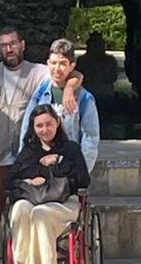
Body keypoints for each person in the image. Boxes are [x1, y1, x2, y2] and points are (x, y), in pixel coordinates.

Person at [0, 25, 81, 264]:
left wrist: (70, 87)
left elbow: (71, 73)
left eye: (13, 43)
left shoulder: (38, 72)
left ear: (22, 44)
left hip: (28, 157)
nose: (9, 48)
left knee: (27, 207)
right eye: (4, 45)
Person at [7, 104, 90, 264]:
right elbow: (11, 179)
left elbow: (83, 179)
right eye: (39, 126)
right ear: (33, 127)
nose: (44, 130)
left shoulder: (71, 149)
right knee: (20, 208)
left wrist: (58, 161)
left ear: (57, 123)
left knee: (40, 213)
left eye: (48, 124)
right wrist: (34, 176)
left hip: (64, 203)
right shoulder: (28, 151)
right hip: (34, 199)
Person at [19, 38, 101, 173]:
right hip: (41, 167)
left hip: (69, 167)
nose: (57, 69)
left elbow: (90, 138)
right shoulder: (39, 94)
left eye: (63, 64)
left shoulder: (84, 98)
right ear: (48, 64)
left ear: (72, 66)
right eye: (54, 63)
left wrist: (81, 171)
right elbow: (26, 131)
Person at [76, 31, 119, 106]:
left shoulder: (110, 60)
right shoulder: (82, 60)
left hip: (105, 91)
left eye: (98, 44)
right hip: (87, 91)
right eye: (94, 44)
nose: (96, 47)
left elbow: (113, 77)